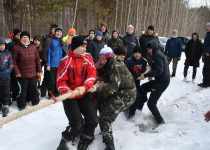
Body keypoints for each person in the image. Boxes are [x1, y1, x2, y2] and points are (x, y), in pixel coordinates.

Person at [89, 46, 136, 150]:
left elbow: (113, 87)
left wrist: (98, 87)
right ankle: (106, 127)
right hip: (121, 91)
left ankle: (109, 145)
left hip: (127, 95)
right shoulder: (111, 64)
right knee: (102, 102)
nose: (101, 62)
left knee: (104, 117)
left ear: (106, 59)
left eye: (102, 60)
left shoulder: (116, 65)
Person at [56, 36, 98, 150]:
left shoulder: (88, 57)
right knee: (77, 125)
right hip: (70, 97)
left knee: (93, 120)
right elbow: (60, 81)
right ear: (75, 47)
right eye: (83, 46)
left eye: (86, 46)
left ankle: (86, 137)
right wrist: (67, 91)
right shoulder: (65, 61)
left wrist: (85, 87)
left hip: (83, 95)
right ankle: (66, 138)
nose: (85, 49)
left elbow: (92, 74)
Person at [139, 39, 170, 125]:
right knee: (143, 88)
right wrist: (150, 67)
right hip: (159, 80)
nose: (148, 51)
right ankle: (138, 110)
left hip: (162, 82)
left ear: (154, 47)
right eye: (148, 49)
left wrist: (146, 75)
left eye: (150, 49)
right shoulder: (155, 54)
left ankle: (160, 121)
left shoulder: (157, 55)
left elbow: (159, 70)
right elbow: (156, 66)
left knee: (151, 103)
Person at [12, 31, 42, 110]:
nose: (25, 39)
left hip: (33, 73)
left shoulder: (33, 47)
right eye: (23, 37)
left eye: (27, 37)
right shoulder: (16, 48)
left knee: (34, 89)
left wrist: (39, 70)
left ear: (29, 38)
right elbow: (13, 62)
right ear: (21, 38)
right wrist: (17, 72)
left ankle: (35, 103)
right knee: (22, 91)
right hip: (21, 74)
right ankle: (21, 105)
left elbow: (37, 60)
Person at [44, 27, 69, 98]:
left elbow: (65, 54)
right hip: (52, 64)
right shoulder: (51, 41)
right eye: (57, 31)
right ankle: (51, 94)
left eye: (60, 32)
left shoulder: (62, 42)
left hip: (60, 65)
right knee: (51, 81)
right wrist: (48, 64)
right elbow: (48, 53)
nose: (59, 33)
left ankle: (57, 93)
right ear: (55, 32)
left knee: (58, 80)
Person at [125, 46, 148, 118]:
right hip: (130, 83)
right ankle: (131, 115)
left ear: (141, 54)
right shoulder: (129, 61)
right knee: (137, 97)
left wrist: (140, 74)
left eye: (138, 53)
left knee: (144, 98)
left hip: (137, 82)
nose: (137, 54)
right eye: (135, 53)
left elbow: (144, 71)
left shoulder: (143, 61)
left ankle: (138, 110)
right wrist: (133, 75)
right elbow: (125, 73)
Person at [0, 37, 13, 117]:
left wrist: (4, 73)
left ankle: (5, 106)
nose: (2, 46)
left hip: (6, 77)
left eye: (3, 45)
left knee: (6, 92)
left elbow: (11, 66)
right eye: (0, 45)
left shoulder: (8, 53)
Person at [8, 29, 21, 102]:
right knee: (13, 81)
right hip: (12, 65)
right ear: (15, 35)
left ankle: (17, 94)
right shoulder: (11, 44)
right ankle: (13, 95)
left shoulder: (20, 42)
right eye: (18, 34)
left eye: (20, 34)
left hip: (20, 65)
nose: (19, 35)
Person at [198, 22, 210, 87]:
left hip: (209, 54)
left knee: (206, 69)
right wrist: (203, 55)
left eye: (208, 27)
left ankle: (205, 83)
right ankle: (207, 82)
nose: (207, 28)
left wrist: (208, 51)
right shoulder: (208, 35)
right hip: (206, 54)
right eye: (207, 27)